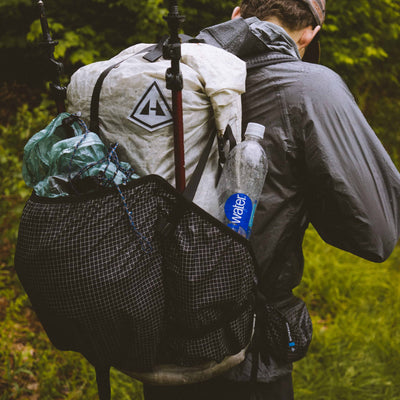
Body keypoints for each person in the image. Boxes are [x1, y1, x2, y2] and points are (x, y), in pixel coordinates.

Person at [143, 0, 400, 399]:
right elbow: (376, 234)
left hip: (155, 329)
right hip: (245, 349)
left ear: (236, 14)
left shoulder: (166, 73)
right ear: (310, 33)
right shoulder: (312, 87)